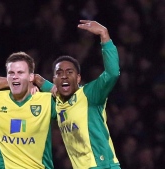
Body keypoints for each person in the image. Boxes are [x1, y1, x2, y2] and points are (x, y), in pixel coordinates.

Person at [34, 20, 121, 169]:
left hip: (103, 166)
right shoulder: (59, 102)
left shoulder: (89, 95)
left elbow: (112, 74)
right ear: (54, 79)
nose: (64, 76)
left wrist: (104, 36)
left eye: (70, 72)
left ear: (78, 78)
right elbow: (52, 89)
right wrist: (36, 80)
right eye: (59, 73)